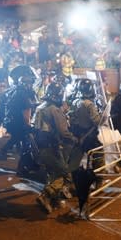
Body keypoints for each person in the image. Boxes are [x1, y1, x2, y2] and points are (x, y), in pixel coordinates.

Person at [33, 82, 77, 213]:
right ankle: (45, 195)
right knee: (64, 173)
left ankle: (55, 200)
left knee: (53, 173)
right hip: (50, 147)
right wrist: (74, 139)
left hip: (38, 146)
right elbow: (63, 132)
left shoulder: (40, 107)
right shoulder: (54, 109)